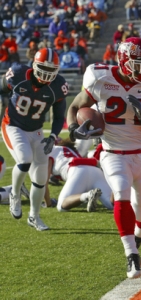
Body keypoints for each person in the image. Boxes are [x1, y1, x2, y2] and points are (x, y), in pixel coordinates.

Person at [66, 37, 141, 279]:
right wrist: (73, 129)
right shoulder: (99, 77)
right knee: (121, 194)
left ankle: (138, 239)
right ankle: (131, 255)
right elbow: (74, 108)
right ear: (124, 62)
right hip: (113, 152)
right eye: (140, 65)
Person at [1, 48, 69, 231]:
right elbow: (1, 87)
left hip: (36, 130)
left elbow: (59, 117)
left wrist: (53, 136)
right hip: (13, 125)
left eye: (50, 70)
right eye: (43, 69)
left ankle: (34, 216)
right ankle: (15, 194)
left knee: (40, 178)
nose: (46, 75)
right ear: (34, 65)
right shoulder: (17, 74)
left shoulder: (58, 86)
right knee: (24, 159)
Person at [45, 138, 113, 212]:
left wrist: (48, 203)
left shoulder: (49, 151)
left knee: (61, 205)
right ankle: (121, 190)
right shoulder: (68, 150)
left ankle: (87, 195)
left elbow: (44, 182)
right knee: (112, 204)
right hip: (95, 170)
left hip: (77, 171)